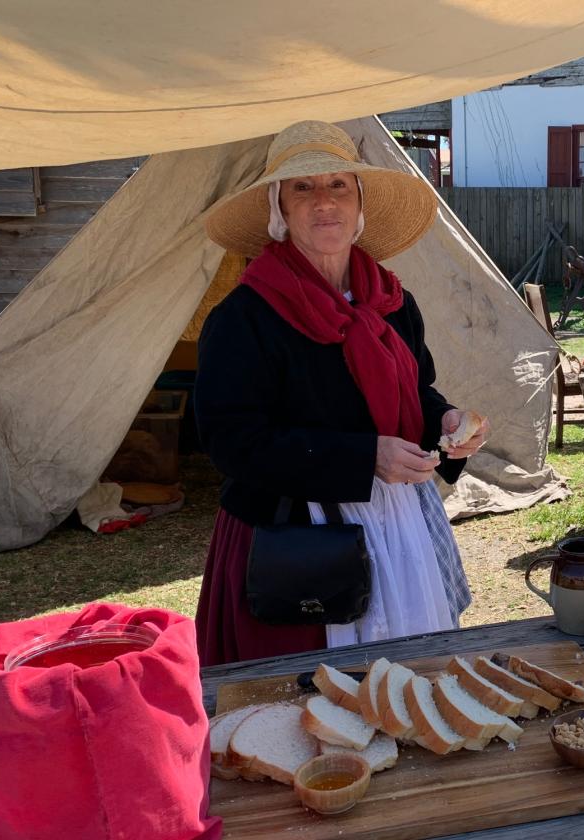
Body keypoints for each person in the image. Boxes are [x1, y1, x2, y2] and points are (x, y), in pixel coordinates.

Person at [192, 121, 490, 666]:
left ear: (359, 206)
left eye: (339, 186)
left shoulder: (393, 302)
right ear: (279, 209)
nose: (323, 202)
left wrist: (443, 419)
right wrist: (364, 457)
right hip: (298, 537)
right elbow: (231, 441)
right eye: (302, 187)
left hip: (398, 521)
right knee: (313, 706)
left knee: (408, 685)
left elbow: (415, 390)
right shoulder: (244, 319)